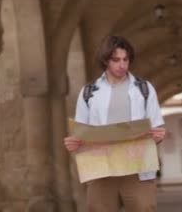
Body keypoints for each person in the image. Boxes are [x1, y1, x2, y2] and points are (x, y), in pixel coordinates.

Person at [64, 35, 166, 212]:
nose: (122, 65)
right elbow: (81, 132)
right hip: (101, 170)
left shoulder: (144, 89)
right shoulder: (89, 92)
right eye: (116, 60)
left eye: (126, 59)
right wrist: (74, 143)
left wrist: (158, 136)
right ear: (105, 60)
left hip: (137, 170)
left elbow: (156, 127)